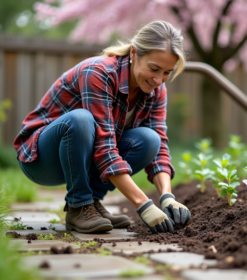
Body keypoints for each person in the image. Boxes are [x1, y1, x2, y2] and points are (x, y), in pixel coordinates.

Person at [14, 21, 191, 234]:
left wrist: (167, 197)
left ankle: (92, 203)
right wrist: (143, 204)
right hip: (41, 159)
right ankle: (79, 206)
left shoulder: (156, 89)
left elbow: (160, 146)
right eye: (154, 69)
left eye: (166, 72)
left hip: (87, 158)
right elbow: (104, 147)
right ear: (134, 53)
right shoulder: (98, 72)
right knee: (81, 120)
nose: (158, 79)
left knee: (150, 139)